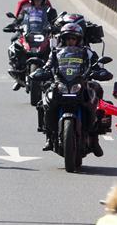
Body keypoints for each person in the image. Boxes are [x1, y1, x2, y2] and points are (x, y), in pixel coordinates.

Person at [39, 23, 103, 157]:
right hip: (61, 83)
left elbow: (97, 65)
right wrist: (42, 72)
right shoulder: (55, 53)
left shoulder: (87, 52)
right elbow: (48, 65)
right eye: (68, 38)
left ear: (79, 39)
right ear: (63, 39)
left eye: (73, 38)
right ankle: (49, 137)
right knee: (43, 101)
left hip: (80, 83)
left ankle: (94, 140)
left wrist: (100, 71)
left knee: (97, 90)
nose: (70, 41)